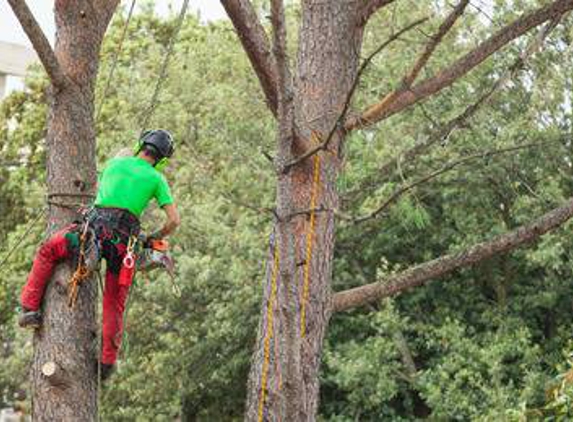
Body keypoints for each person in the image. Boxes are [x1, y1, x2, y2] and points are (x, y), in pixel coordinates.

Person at [18, 129, 181, 380]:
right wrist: (153, 238)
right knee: (114, 301)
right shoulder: (157, 179)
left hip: (92, 230)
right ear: (162, 159)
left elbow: (119, 163)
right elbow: (174, 221)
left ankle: (29, 309)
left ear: (141, 146)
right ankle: (106, 364)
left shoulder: (116, 163)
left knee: (48, 250)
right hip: (124, 245)